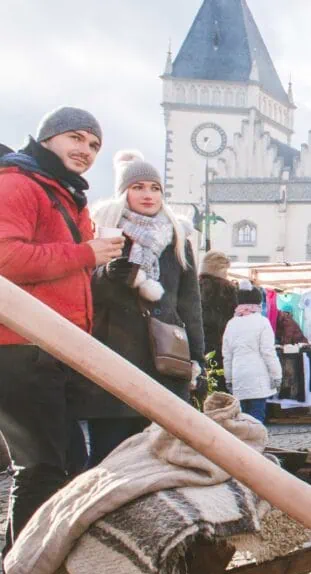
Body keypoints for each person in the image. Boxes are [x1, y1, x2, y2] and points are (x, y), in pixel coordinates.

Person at [0, 107, 121, 574]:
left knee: (56, 465)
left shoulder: (59, 190)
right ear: (49, 136)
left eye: (94, 144)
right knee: (43, 468)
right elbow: (5, 260)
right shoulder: (20, 183)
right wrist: (85, 253)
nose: (86, 150)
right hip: (21, 346)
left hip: (47, 348)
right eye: (76, 137)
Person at [82, 151, 205, 466]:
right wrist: (110, 276)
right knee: (112, 457)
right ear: (124, 192)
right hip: (116, 355)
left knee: (164, 457)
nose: (148, 195)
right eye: (138, 187)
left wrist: (197, 360)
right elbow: (87, 293)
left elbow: (189, 304)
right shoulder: (105, 230)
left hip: (166, 358)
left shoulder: (178, 236)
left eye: (155, 188)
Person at [222, 280, 282, 423]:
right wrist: (276, 375)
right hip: (258, 377)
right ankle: (255, 444)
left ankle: (241, 444)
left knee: (241, 419)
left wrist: (228, 378)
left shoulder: (231, 324)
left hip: (238, 376)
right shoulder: (262, 322)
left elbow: (227, 355)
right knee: (257, 417)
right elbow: (268, 352)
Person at [199, 250, 237, 388]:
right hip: (220, 346)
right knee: (218, 389)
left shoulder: (196, 285)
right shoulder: (228, 290)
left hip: (197, 345)